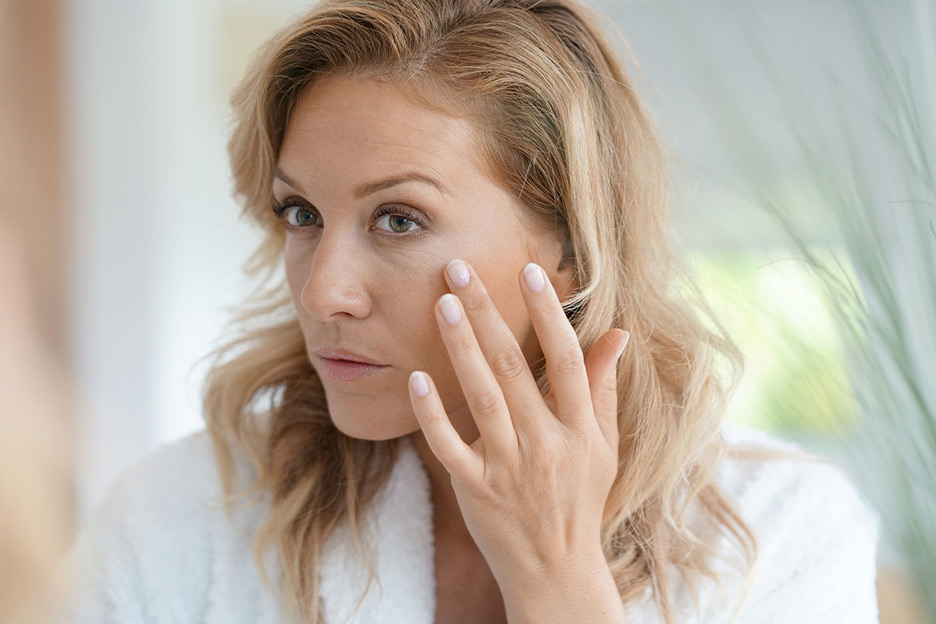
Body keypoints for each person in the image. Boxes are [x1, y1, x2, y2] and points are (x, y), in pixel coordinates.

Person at [54, 0, 880, 623]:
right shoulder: (184, 514)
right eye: (300, 213)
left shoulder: (780, 534)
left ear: (569, 251)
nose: (322, 292)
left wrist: (557, 576)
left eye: (398, 219)